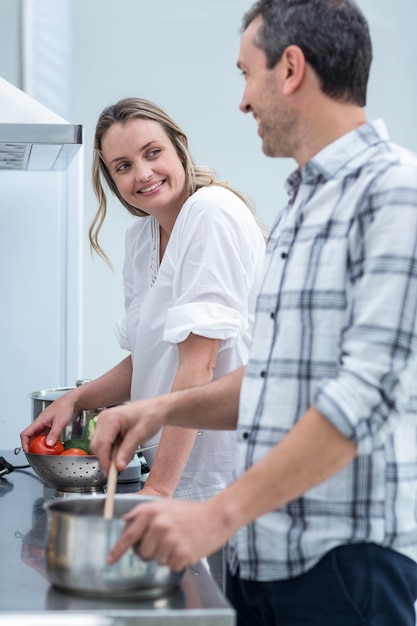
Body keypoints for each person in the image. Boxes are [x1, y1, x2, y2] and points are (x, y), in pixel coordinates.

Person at [88, 1, 417, 625]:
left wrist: (215, 513)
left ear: (290, 69)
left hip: (345, 563)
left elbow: (365, 396)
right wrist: (151, 408)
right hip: (264, 561)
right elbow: (273, 386)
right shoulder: (300, 207)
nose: (242, 101)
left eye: (246, 74)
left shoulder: (394, 191)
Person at [20, 97, 266, 591]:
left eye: (153, 152)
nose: (143, 173)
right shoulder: (142, 236)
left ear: (180, 148)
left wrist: (157, 493)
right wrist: (77, 397)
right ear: (113, 181)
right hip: (182, 477)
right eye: (124, 166)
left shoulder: (210, 213)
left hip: (228, 482)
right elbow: (152, 357)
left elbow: (198, 365)